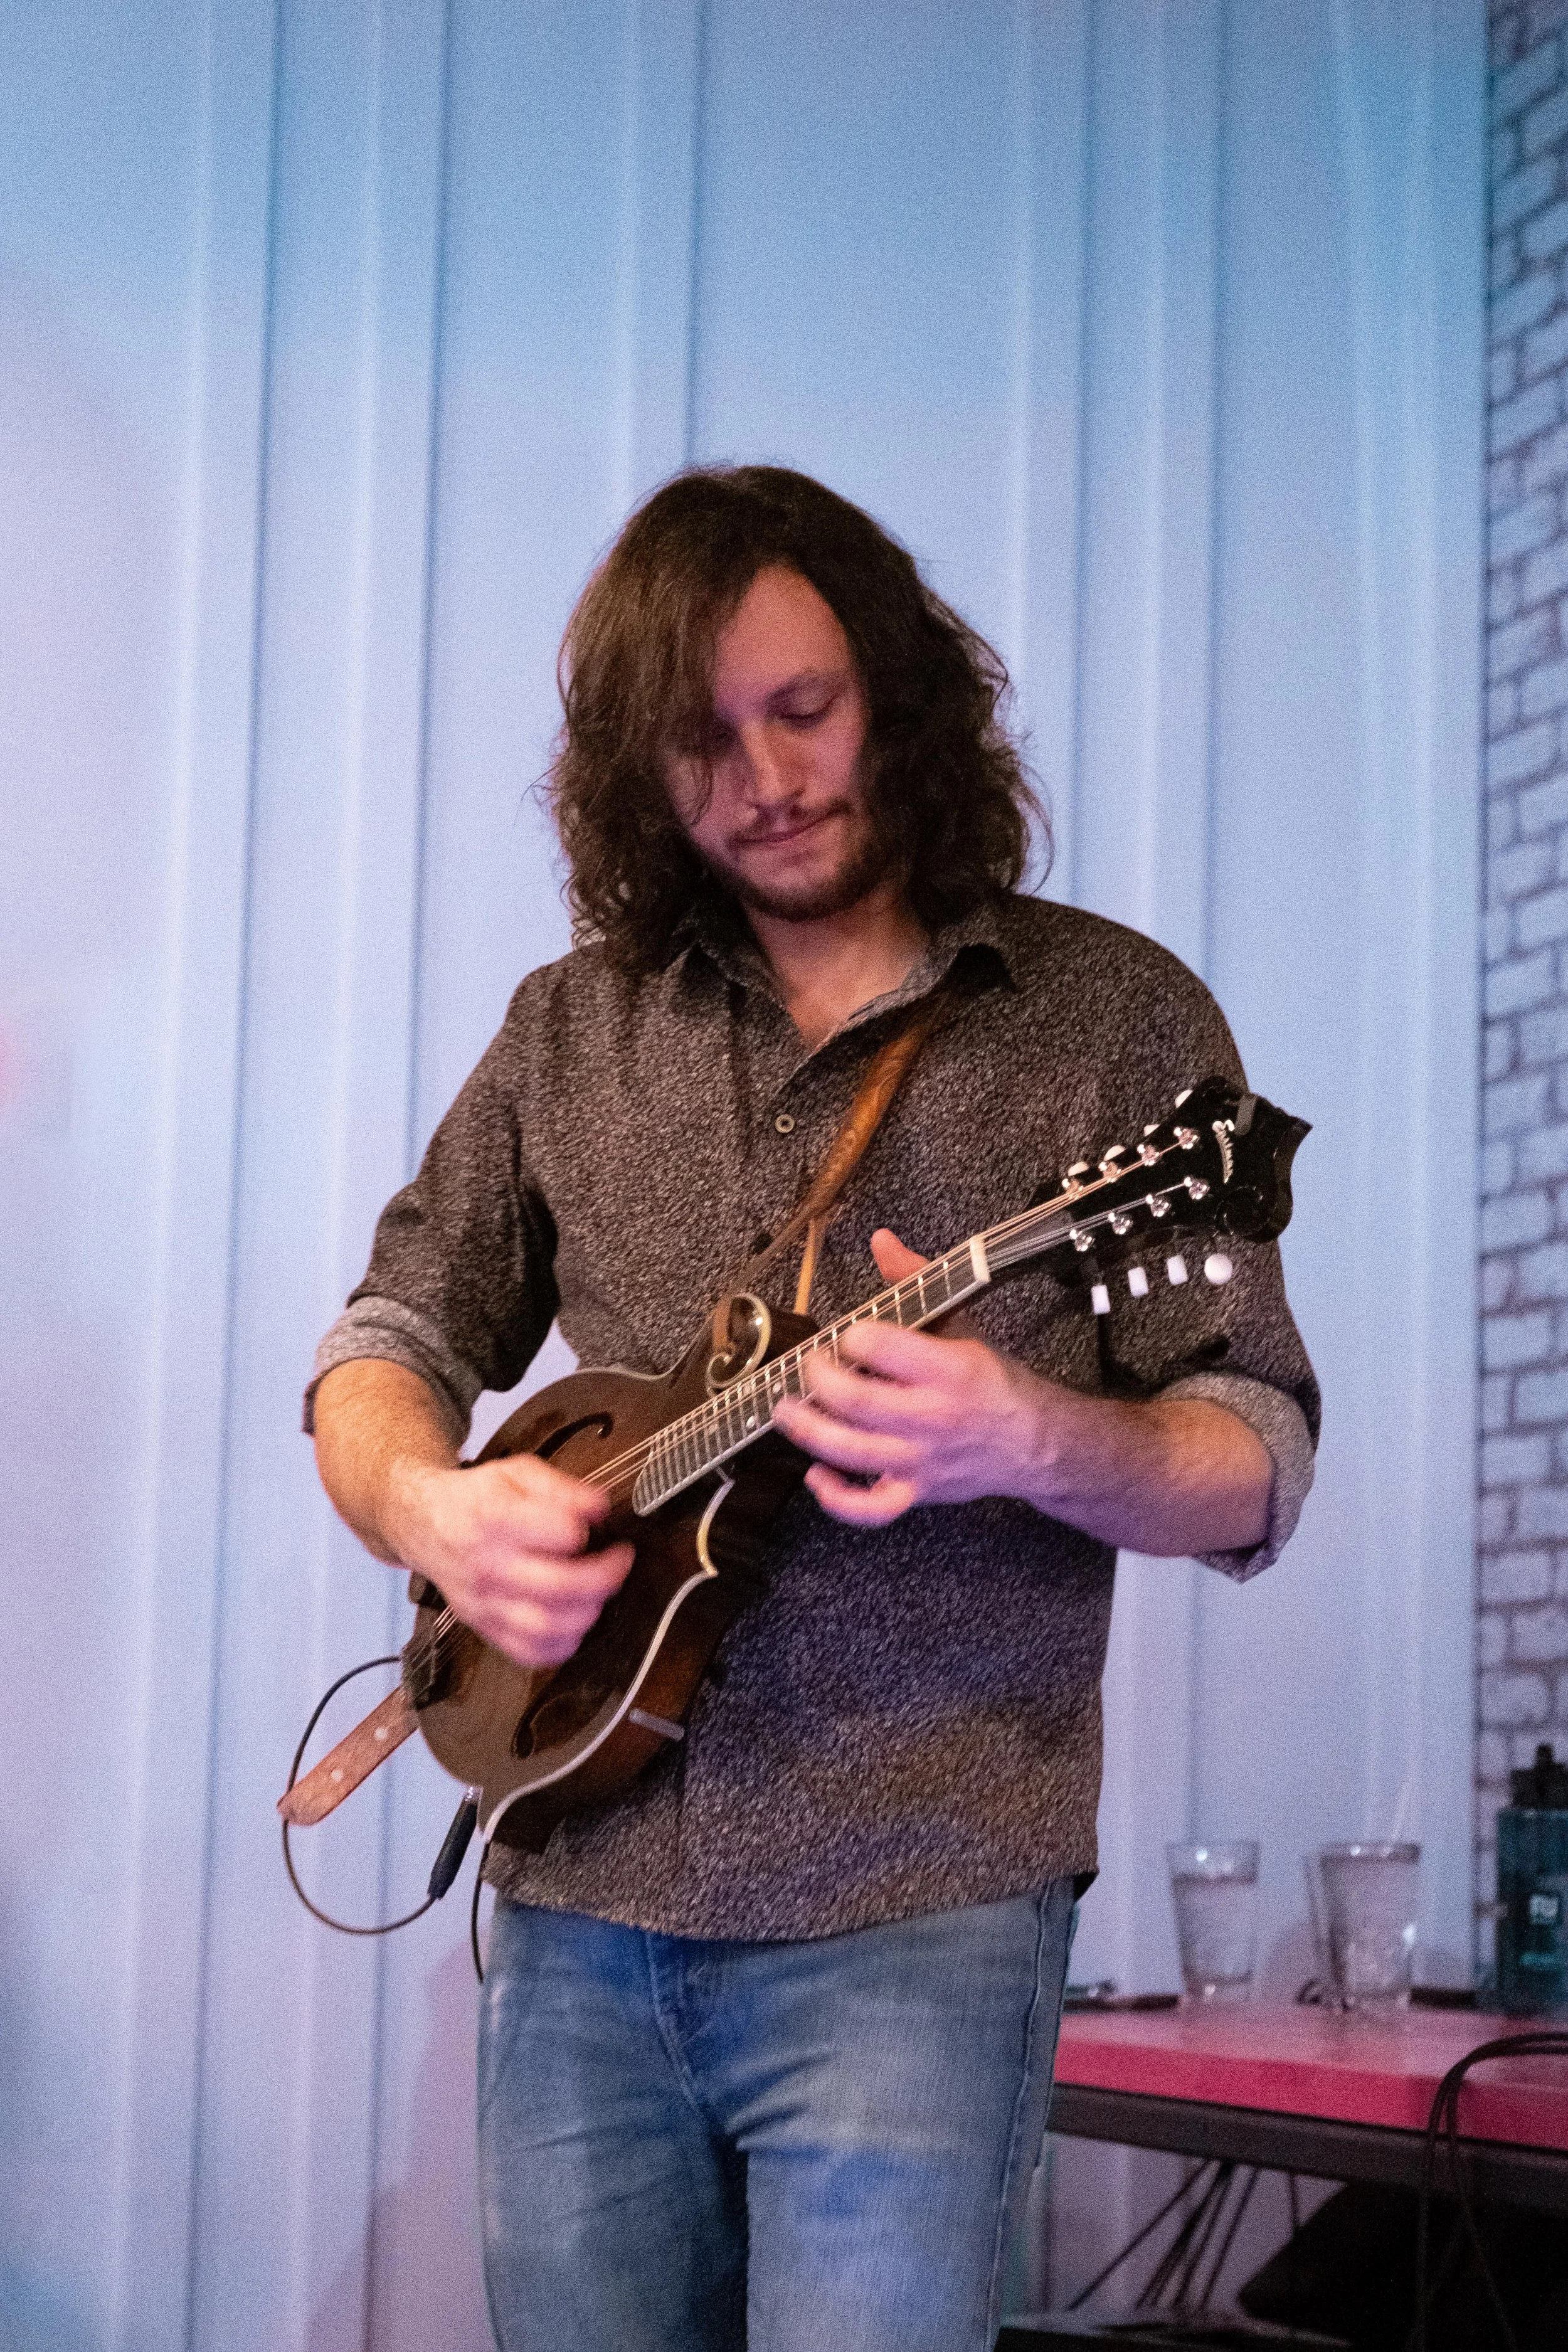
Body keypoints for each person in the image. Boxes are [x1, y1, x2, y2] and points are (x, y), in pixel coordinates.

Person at [307, 465, 1318, 2352]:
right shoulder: (570, 1029)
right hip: (578, 1907)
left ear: (896, 695)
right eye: (703, 742)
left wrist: (1032, 1436)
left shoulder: (1110, 1023)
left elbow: (1254, 1453)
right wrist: (433, 1507)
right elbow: (386, 1340)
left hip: (918, 1915)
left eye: (805, 707)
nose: (767, 778)